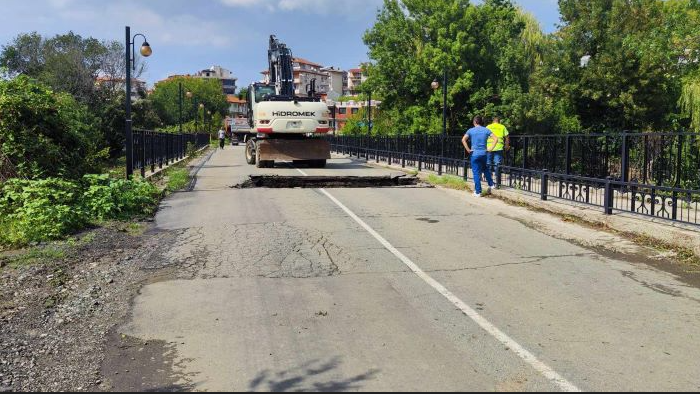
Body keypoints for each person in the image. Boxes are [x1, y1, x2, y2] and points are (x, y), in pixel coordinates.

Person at [463, 115, 498, 197]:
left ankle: (478, 192)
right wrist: (490, 148)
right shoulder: (486, 130)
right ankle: (491, 184)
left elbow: (463, 140)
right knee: (485, 168)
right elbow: (496, 139)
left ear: (475, 122)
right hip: (483, 154)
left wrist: (468, 149)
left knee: (476, 173)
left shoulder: (471, 130)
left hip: (474, 154)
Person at [486, 116, 510, 185]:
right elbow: (507, 137)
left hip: (489, 147)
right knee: (497, 164)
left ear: (493, 121)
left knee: (488, 163)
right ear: (499, 121)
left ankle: (489, 179)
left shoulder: (488, 126)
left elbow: (484, 135)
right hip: (499, 147)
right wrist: (506, 145)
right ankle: (497, 180)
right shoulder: (502, 127)